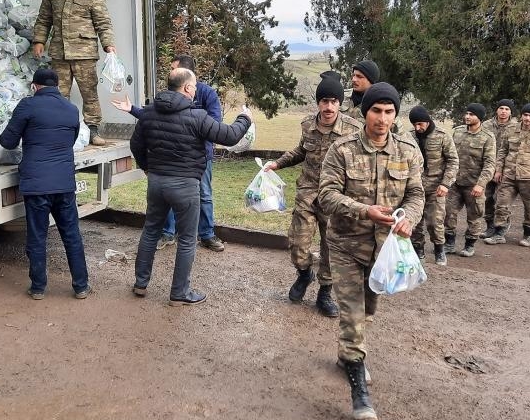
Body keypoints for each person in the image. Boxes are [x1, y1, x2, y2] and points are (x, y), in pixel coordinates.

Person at [319, 82, 424, 420]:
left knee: (368, 309)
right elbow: (327, 196)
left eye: (389, 112)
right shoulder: (342, 149)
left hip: (384, 251)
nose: (382, 118)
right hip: (346, 245)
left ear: (396, 114)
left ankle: (348, 355)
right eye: (376, 111)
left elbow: (416, 194)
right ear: (366, 113)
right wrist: (365, 210)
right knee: (351, 313)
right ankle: (359, 393)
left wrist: (408, 217)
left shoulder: (408, 151)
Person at [130, 68, 252, 306]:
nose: (195, 90)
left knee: (150, 231)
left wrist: (147, 167)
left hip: (156, 182)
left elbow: (136, 145)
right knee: (187, 239)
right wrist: (244, 119)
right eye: (194, 86)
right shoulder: (197, 116)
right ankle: (179, 293)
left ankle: (140, 284)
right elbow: (228, 136)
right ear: (186, 88)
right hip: (185, 185)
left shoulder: (148, 113)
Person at [263, 73, 362, 317]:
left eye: (333, 102)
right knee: (298, 243)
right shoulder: (308, 124)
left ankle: (325, 292)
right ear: (318, 103)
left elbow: (361, 162)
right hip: (307, 193)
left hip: (336, 197)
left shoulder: (353, 129)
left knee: (331, 247)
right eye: (324, 101)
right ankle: (305, 274)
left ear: (340, 103)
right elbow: (300, 151)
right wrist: (278, 163)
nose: (329, 107)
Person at [118, 55, 227, 253]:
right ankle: (168, 233)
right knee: (167, 196)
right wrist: (132, 109)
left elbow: (215, 124)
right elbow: (156, 118)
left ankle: (207, 235)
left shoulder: (207, 93)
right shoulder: (170, 95)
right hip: (172, 158)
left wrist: (190, 131)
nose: (169, 73)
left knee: (204, 195)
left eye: (172, 68)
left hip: (199, 158)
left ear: (185, 75)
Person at [0, 69, 90, 300]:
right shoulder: (71, 109)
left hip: (37, 184)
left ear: (34, 85)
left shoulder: (27, 106)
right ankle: (81, 286)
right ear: (57, 86)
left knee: (38, 236)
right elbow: (70, 140)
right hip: (64, 184)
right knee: (71, 235)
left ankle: (38, 287)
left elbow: (7, 142)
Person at [32, 0, 116, 147]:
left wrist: (108, 45)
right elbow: (44, 18)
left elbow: (103, 23)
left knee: (89, 93)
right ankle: (62, 130)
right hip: (60, 53)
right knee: (59, 94)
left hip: (85, 53)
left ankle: (93, 130)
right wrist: (39, 40)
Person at [484, 103, 530, 248]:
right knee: (501, 204)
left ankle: (527, 235)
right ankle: (499, 233)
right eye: (525, 115)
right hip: (509, 175)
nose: (527, 118)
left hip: (529, 177)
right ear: (521, 115)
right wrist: (498, 170)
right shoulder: (511, 129)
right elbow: (503, 151)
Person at [408, 105, 458, 266]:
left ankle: (439, 250)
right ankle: (418, 251)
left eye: (420, 124)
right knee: (414, 223)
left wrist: (445, 184)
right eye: (415, 124)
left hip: (436, 188)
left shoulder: (442, 136)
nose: (418, 128)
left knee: (435, 222)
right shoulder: (408, 137)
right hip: (414, 188)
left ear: (428, 121)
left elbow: (453, 160)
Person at [445, 103, 496, 258]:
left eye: (472, 114)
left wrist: (481, 184)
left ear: (479, 117)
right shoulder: (457, 132)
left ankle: (469, 245)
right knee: (449, 213)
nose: (467, 117)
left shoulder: (487, 137)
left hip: (474, 185)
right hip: (455, 183)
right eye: (466, 113)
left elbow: (490, 164)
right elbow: (448, 156)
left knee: (474, 216)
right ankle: (449, 243)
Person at [483, 99, 518, 235]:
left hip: (506, 168)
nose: (504, 111)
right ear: (496, 110)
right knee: (487, 198)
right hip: (487, 167)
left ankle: (502, 225)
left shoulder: (516, 127)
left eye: (507, 109)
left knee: (501, 198)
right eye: (501, 108)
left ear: (511, 112)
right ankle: (490, 226)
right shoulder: (486, 125)